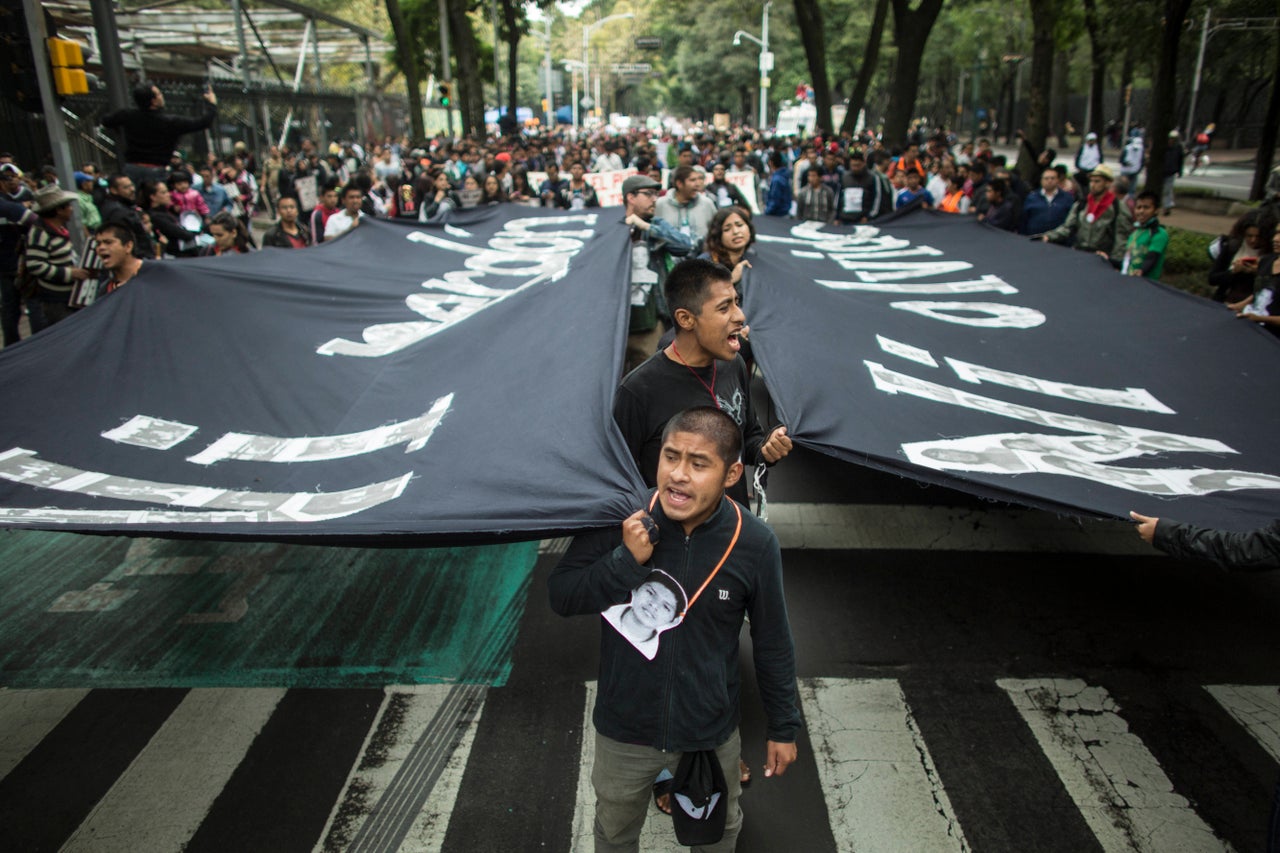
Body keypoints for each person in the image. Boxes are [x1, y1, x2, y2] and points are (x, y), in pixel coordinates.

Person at [549, 405, 800, 853]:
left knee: (719, 833)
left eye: (698, 464)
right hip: (625, 729)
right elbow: (563, 596)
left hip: (709, 731)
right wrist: (624, 562)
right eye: (670, 457)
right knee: (614, 831)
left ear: (731, 473)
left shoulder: (755, 543)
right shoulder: (621, 518)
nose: (678, 475)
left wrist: (783, 726)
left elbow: (773, 642)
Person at [614, 257, 792, 509]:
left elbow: (749, 437)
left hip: (732, 532)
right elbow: (618, 482)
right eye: (724, 308)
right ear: (686, 319)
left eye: (736, 303)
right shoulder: (637, 391)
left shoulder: (735, 366)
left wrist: (766, 449)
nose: (740, 316)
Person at [622, 174, 694, 373]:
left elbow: (684, 245)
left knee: (647, 376)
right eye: (648, 194)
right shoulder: (615, 227)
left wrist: (646, 226)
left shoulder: (656, 225)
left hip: (651, 320)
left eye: (656, 194)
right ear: (630, 197)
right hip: (620, 320)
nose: (655, 199)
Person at [101, 82, 217, 189]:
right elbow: (202, 122)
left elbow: (106, 120)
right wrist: (212, 104)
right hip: (155, 170)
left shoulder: (127, 115)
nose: (162, 96)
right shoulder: (169, 122)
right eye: (159, 94)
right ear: (154, 101)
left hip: (132, 168)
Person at [24, 184, 93, 327]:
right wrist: (70, 273)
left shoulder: (59, 229)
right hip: (55, 300)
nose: (71, 209)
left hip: (69, 295)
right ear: (58, 210)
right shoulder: (39, 233)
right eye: (68, 205)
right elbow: (35, 265)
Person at [1038, 164, 1133, 267]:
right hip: (1080, 253)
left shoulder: (1117, 208)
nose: (1092, 185)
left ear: (1108, 183)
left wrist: (1114, 262)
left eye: (1097, 181)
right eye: (1091, 181)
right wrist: (1049, 236)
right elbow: (1068, 227)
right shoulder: (1082, 204)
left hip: (1102, 257)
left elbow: (1121, 238)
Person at [601, 569, 688, 659]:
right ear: (636, 589)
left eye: (666, 607)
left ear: (673, 621)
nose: (654, 604)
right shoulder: (598, 611)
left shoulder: (657, 658)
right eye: (650, 592)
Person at [0, 168, 37, 345]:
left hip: (4, 266)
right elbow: (33, 221)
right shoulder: (7, 206)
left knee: (9, 309)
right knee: (33, 304)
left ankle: (11, 345)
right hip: (20, 264)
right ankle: (39, 343)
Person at [1227, 223, 1280, 337]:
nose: (1276, 239)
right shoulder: (1267, 261)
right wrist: (1239, 306)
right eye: (1277, 233)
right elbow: (1261, 291)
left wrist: (1261, 318)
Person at [1208, 212, 1267, 304]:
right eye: (1249, 236)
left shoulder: (1268, 253)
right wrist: (1233, 272)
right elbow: (1212, 278)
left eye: (1258, 237)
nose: (1253, 240)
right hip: (1225, 300)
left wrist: (1257, 272)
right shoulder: (1232, 248)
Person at [656, 165, 717, 243]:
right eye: (692, 180)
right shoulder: (661, 204)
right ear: (679, 183)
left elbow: (716, 231)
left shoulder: (707, 204)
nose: (698, 184)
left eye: (699, 179)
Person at [98, 174, 153, 259]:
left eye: (132, 185)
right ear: (114, 190)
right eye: (126, 187)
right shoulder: (119, 211)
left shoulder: (118, 206)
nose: (132, 189)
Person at [140, 181, 200, 257]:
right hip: (175, 256)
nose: (168, 195)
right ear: (153, 197)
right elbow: (183, 234)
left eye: (167, 191)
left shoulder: (168, 211)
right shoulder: (156, 217)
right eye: (163, 192)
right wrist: (194, 232)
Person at [1121, 191, 1169, 279]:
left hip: (1146, 284)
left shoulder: (1159, 233)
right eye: (1138, 207)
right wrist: (1106, 259)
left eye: (1146, 207)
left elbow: (1152, 258)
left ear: (1156, 210)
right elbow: (1126, 262)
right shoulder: (1135, 234)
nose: (1141, 211)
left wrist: (1141, 271)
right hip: (1129, 282)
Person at [1020, 168, 1074, 235]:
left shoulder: (1067, 198)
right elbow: (1024, 219)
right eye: (1046, 178)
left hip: (1057, 240)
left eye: (1052, 178)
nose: (1049, 181)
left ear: (1057, 180)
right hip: (1033, 238)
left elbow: (1070, 221)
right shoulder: (1032, 197)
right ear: (1041, 180)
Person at [94, 222, 144, 295]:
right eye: (98, 244)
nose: (101, 248)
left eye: (108, 242)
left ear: (128, 246)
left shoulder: (155, 273)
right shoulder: (105, 291)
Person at [763, 151, 792, 217]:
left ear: (771, 162)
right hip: (785, 212)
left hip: (777, 215)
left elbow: (775, 200)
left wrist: (767, 212)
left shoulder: (776, 180)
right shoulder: (785, 174)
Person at [1162, 130, 1184, 215]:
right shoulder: (1164, 147)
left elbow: (1180, 160)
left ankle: (1167, 206)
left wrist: (1179, 171)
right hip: (1162, 171)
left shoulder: (1178, 148)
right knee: (1165, 189)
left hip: (1171, 172)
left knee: (1167, 189)